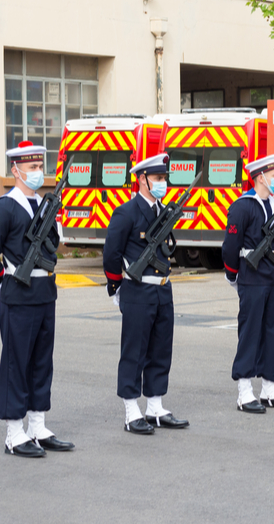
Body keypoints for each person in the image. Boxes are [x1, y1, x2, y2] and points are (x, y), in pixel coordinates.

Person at [0, 141, 74, 457]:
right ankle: (14, 432)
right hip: (19, 295)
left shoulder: (41, 206)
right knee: (17, 363)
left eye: (39, 167)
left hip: (45, 293)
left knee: (41, 362)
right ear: (15, 170)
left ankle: (37, 426)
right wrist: (2, 280)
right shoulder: (4, 207)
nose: (37, 173)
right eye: (31, 168)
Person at [103, 153, 189, 434]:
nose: (163, 183)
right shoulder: (126, 212)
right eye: (158, 178)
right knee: (134, 352)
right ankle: (131, 411)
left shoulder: (162, 212)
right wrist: (116, 285)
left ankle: (155, 407)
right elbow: (111, 253)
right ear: (142, 180)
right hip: (137, 290)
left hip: (163, 290)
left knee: (160, 350)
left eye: (164, 178)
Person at [222, 154, 274, 413]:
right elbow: (231, 245)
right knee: (250, 331)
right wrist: (233, 275)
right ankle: (244, 391)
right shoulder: (243, 206)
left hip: (272, 274)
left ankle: (269, 387)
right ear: (260, 177)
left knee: (273, 331)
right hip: (251, 276)